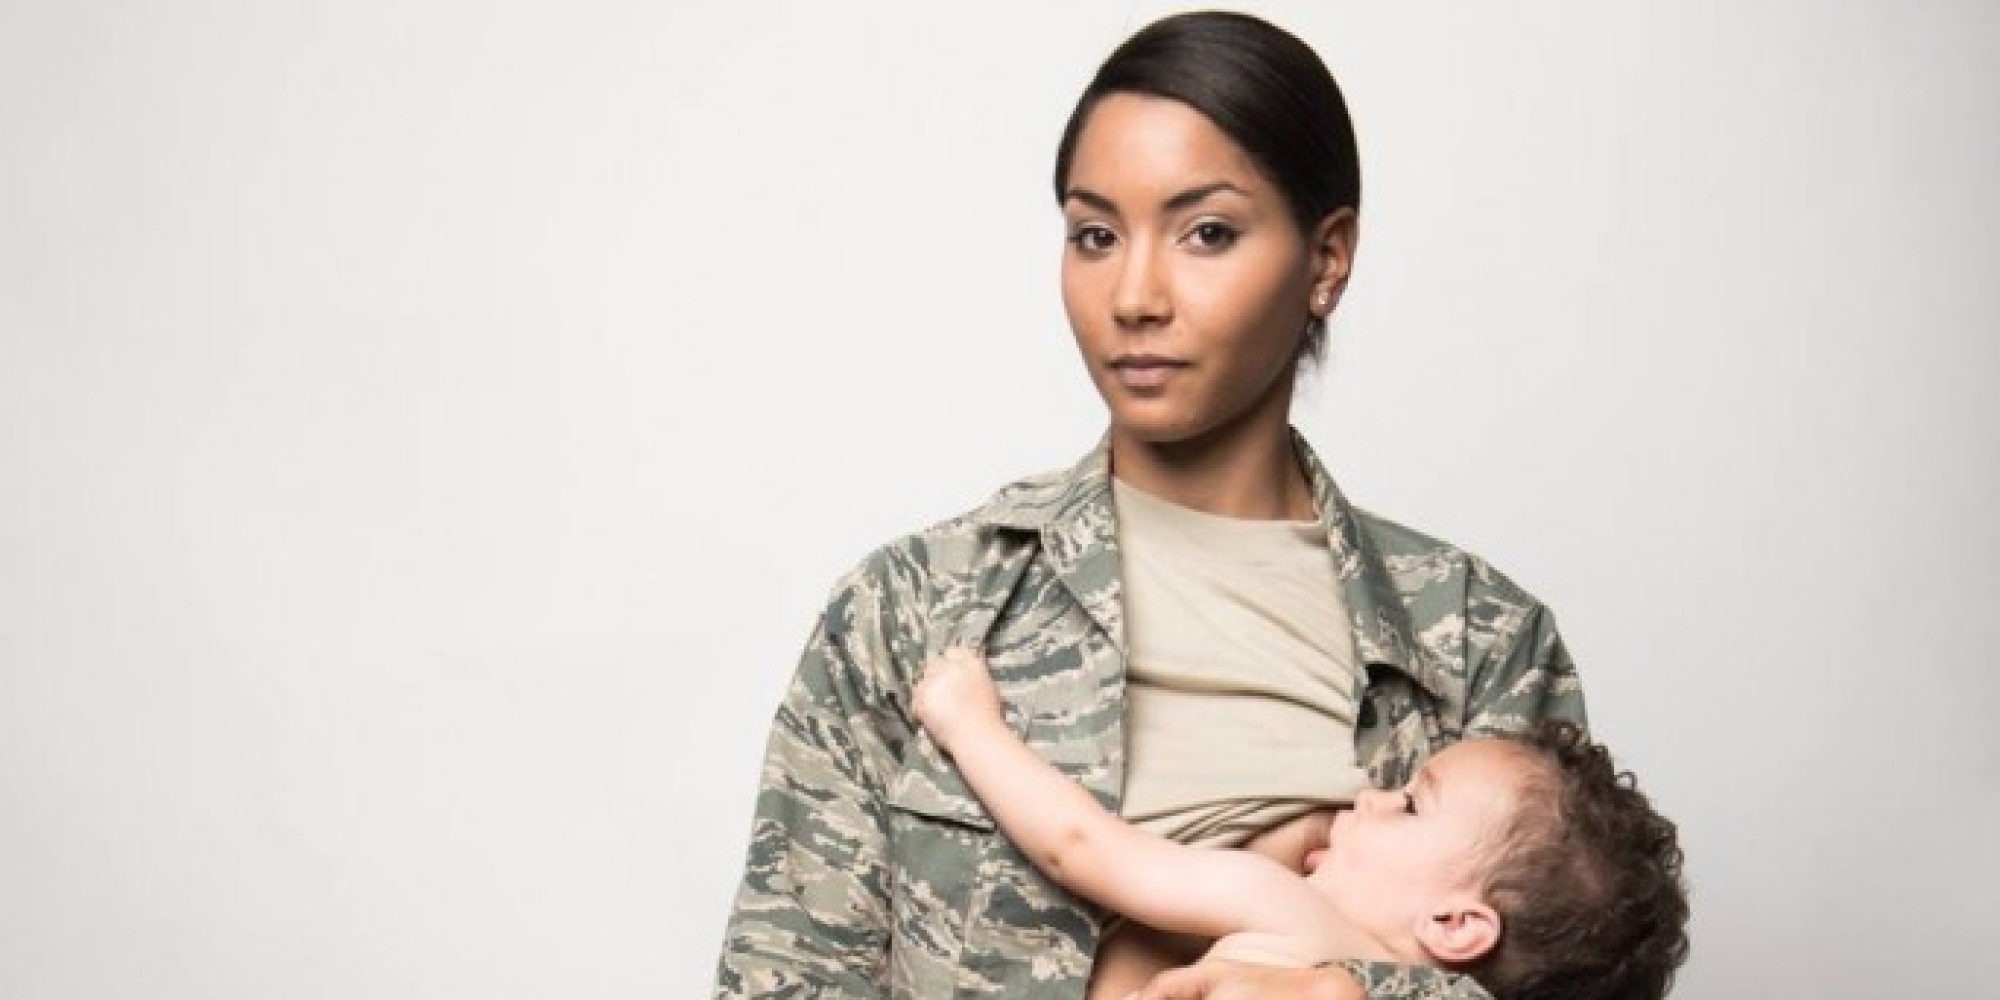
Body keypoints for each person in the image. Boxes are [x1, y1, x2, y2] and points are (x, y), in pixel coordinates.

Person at [716, 12, 1589, 999]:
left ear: (1326, 259)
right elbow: (782, 981)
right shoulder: (912, 611)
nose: (1132, 293)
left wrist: (1340, 991)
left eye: (1205, 233)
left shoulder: (1479, 643)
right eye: (1094, 234)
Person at [910, 647, 1689, 1000]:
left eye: (1411, 803)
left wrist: (971, 726)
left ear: (1456, 924)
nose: (1372, 796)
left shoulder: (1284, 911)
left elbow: (1084, 849)